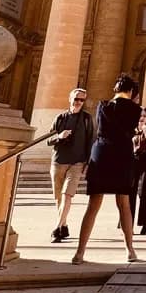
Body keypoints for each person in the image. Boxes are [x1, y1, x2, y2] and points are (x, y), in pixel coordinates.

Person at [72, 75, 141, 264]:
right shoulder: (136, 110)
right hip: (122, 153)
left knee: (93, 206)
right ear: (131, 92)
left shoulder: (103, 106)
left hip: (102, 152)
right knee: (124, 204)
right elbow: (130, 130)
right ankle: (130, 250)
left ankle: (79, 253)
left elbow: (100, 128)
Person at [45, 88, 94, 243]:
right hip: (58, 161)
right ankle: (64, 225)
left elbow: (90, 142)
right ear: (70, 99)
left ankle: (57, 228)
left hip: (77, 163)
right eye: (76, 99)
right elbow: (48, 139)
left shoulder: (87, 119)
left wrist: (88, 163)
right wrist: (59, 136)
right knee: (58, 197)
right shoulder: (60, 118)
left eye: (82, 100)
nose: (78, 102)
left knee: (67, 195)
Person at [129, 107, 146, 235]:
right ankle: (128, 224)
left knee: (143, 193)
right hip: (134, 162)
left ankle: (145, 223)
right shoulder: (132, 129)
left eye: (145, 115)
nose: (142, 118)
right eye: (140, 115)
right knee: (131, 193)